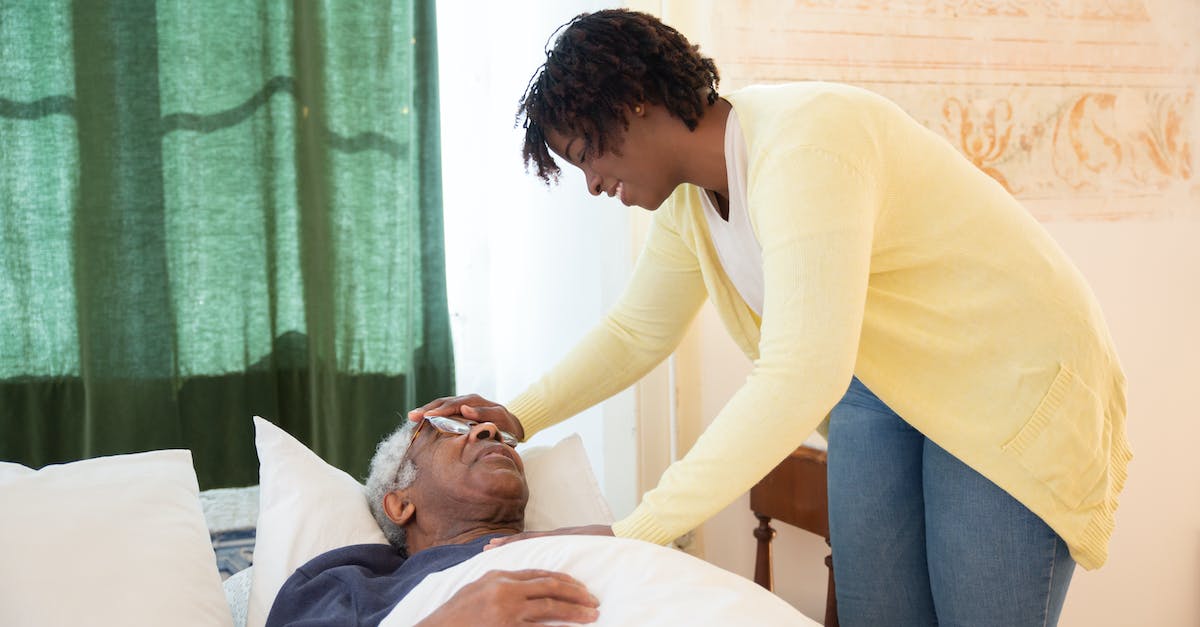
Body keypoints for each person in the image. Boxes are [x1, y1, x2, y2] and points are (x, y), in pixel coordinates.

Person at [409, 9, 1130, 627]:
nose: (593, 185)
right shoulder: (690, 201)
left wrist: (634, 531)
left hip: (1008, 376)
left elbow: (799, 376)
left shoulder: (807, 144)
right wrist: (519, 414)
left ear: (633, 103)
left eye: (585, 156)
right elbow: (636, 332)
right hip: (882, 385)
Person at [265, 415, 600, 627]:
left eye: (503, 437)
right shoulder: (357, 585)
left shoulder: (595, 539)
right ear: (401, 504)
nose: (491, 431)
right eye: (449, 430)